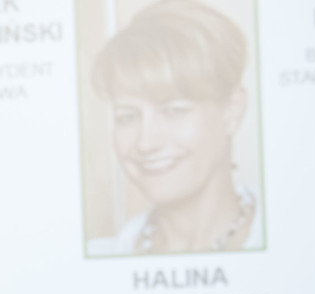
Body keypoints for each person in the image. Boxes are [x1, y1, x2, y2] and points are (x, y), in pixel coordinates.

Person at [86, 0, 262, 257]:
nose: (146, 143)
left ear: (232, 110)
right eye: (127, 116)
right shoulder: (99, 257)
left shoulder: (297, 237)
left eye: (173, 110)